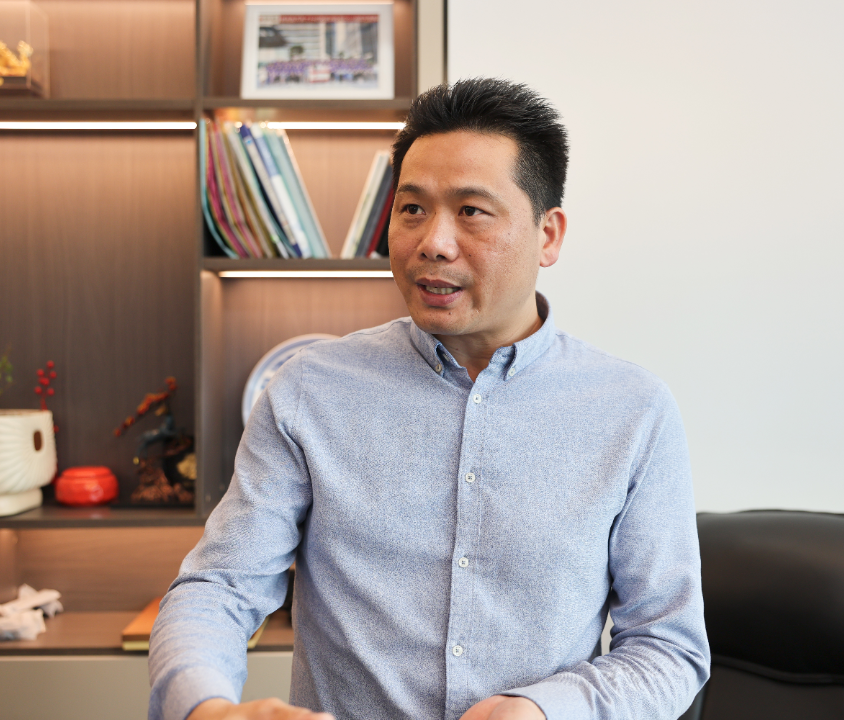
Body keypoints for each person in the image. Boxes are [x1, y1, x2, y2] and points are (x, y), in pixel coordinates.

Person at [149, 77, 710, 720]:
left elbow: (668, 648)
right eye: (412, 209)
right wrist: (206, 709)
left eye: (471, 211)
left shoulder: (633, 410)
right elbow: (219, 587)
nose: (432, 242)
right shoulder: (309, 389)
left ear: (548, 235)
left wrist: (545, 710)